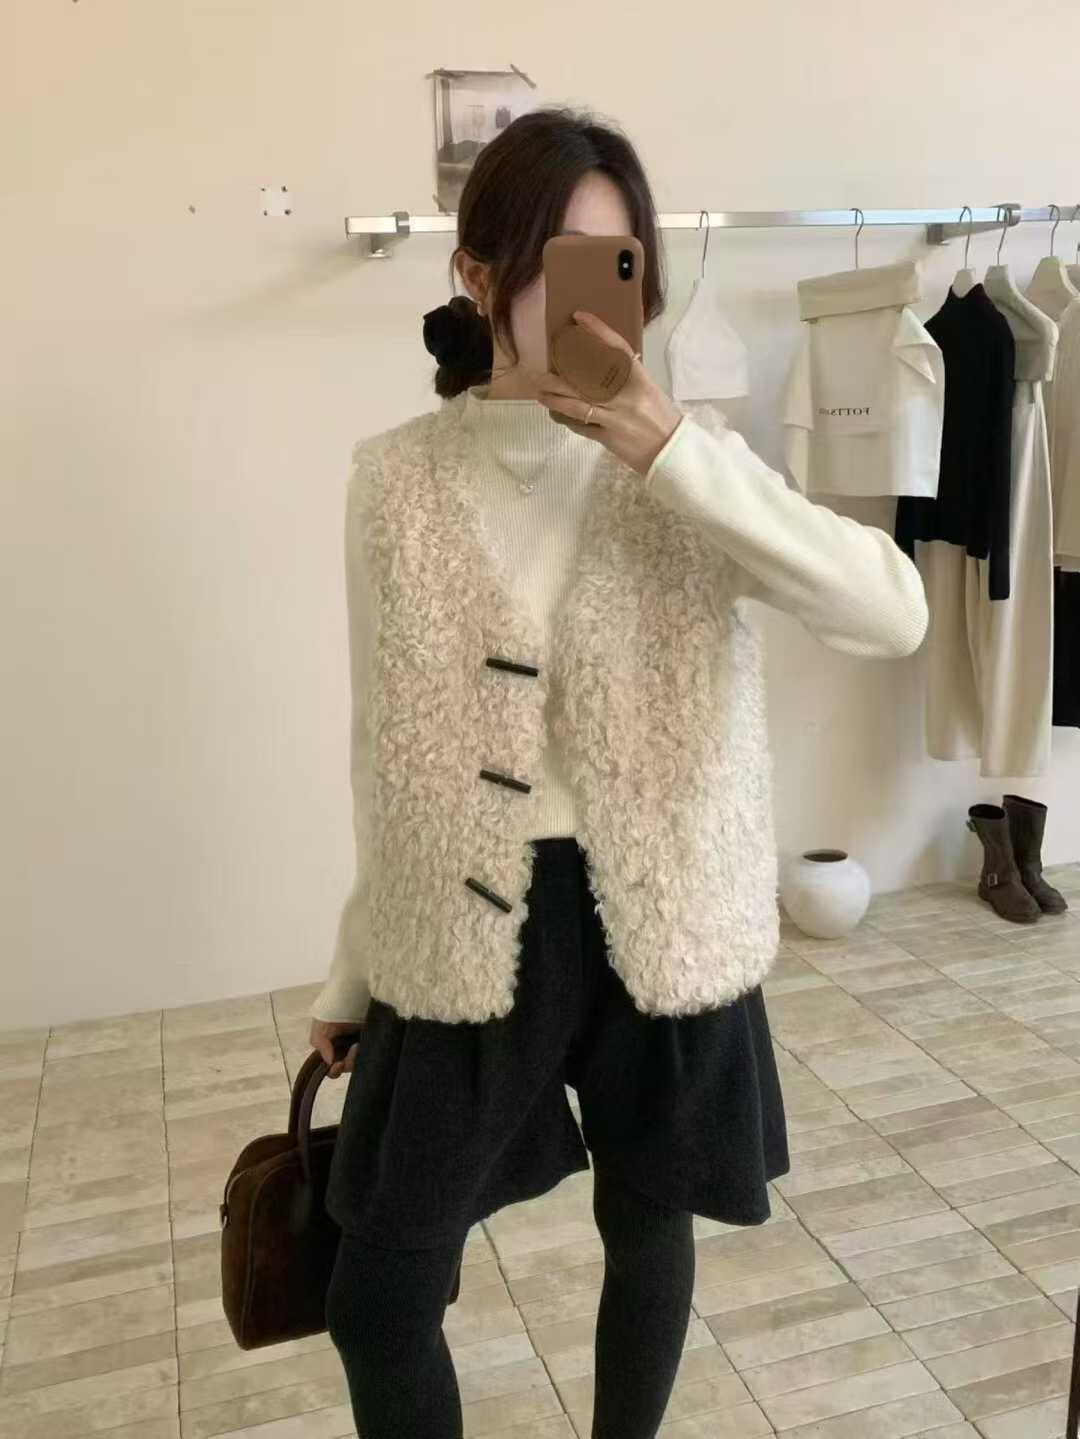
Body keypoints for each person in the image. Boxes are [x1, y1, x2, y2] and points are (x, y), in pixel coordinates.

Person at [307, 106, 928, 1439]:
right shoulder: (394, 481)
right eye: (553, 259)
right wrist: (357, 968)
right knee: (381, 1295)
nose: (594, 295)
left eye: (619, 260)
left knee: (648, 1232)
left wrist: (672, 452)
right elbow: (384, 744)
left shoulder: (693, 466)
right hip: (468, 919)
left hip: (669, 902)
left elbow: (892, 614)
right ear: (476, 274)